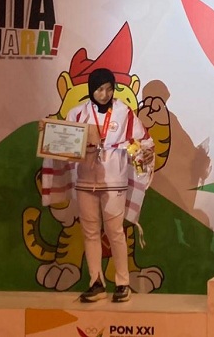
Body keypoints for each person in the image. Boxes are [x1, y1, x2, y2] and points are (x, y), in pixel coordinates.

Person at [42, 67, 154, 303]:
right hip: (85, 181)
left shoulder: (124, 112)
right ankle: (96, 282)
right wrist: (50, 137)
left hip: (114, 181)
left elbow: (144, 142)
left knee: (115, 232)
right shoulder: (77, 113)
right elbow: (64, 143)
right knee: (90, 232)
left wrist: (139, 151)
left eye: (109, 89)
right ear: (91, 89)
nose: (104, 94)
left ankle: (122, 283)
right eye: (99, 89)